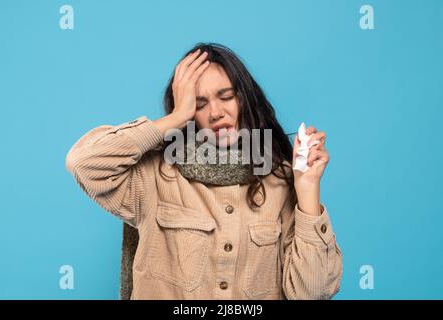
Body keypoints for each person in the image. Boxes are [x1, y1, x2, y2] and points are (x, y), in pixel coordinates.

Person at [65, 43, 343, 300]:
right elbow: (84, 162)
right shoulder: (154, 175)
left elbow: (313, 293)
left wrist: (307, 191)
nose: (216, 112)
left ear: (244, 99)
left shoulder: (280, 180)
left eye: (226, 96)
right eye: (199, 104)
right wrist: (174, 118)